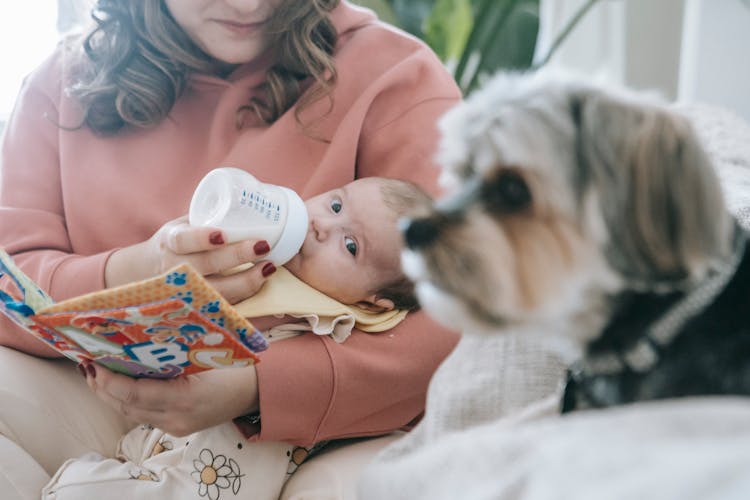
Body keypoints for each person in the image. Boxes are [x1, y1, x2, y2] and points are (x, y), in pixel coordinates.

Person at [0, 1, 460, 498]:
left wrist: (256, 386)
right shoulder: (61, 87)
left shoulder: (395, 76)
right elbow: (10, 277)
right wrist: (134, 271)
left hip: (308, 436)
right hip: (94, 389)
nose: (247, 4)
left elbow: (466, 313)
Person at [40, 176, 430, 500]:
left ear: (374, 303)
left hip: (242, 456)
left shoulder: (338, 318)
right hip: (165, 428)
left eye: (350, 246)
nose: (321, 226)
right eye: (336, 206)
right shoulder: (258, 257)